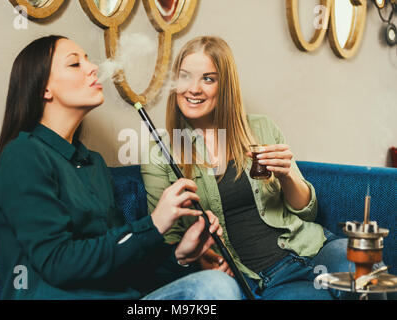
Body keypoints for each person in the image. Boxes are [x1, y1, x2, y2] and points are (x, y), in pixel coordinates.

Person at [0, 35, 243, 300]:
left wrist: (181, 256)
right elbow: (57, 263)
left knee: (214, 285)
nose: (93, 67)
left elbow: (125, 266)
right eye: (75, 64)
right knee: (217, 288)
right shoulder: (23, 156)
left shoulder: (93, 164)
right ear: (44, 89)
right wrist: (153, 225)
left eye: (88, 60)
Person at [141, 36, 385, 300]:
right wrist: (202, 259)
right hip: (262, 280)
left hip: (312, 248)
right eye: (186, 77)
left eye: (208, 79)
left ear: (225, 86)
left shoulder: (261, 128)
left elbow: (309, 212)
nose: (194, 89)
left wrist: (288, 174)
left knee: (369, 271)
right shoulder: (161, 155)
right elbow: (166, 242)